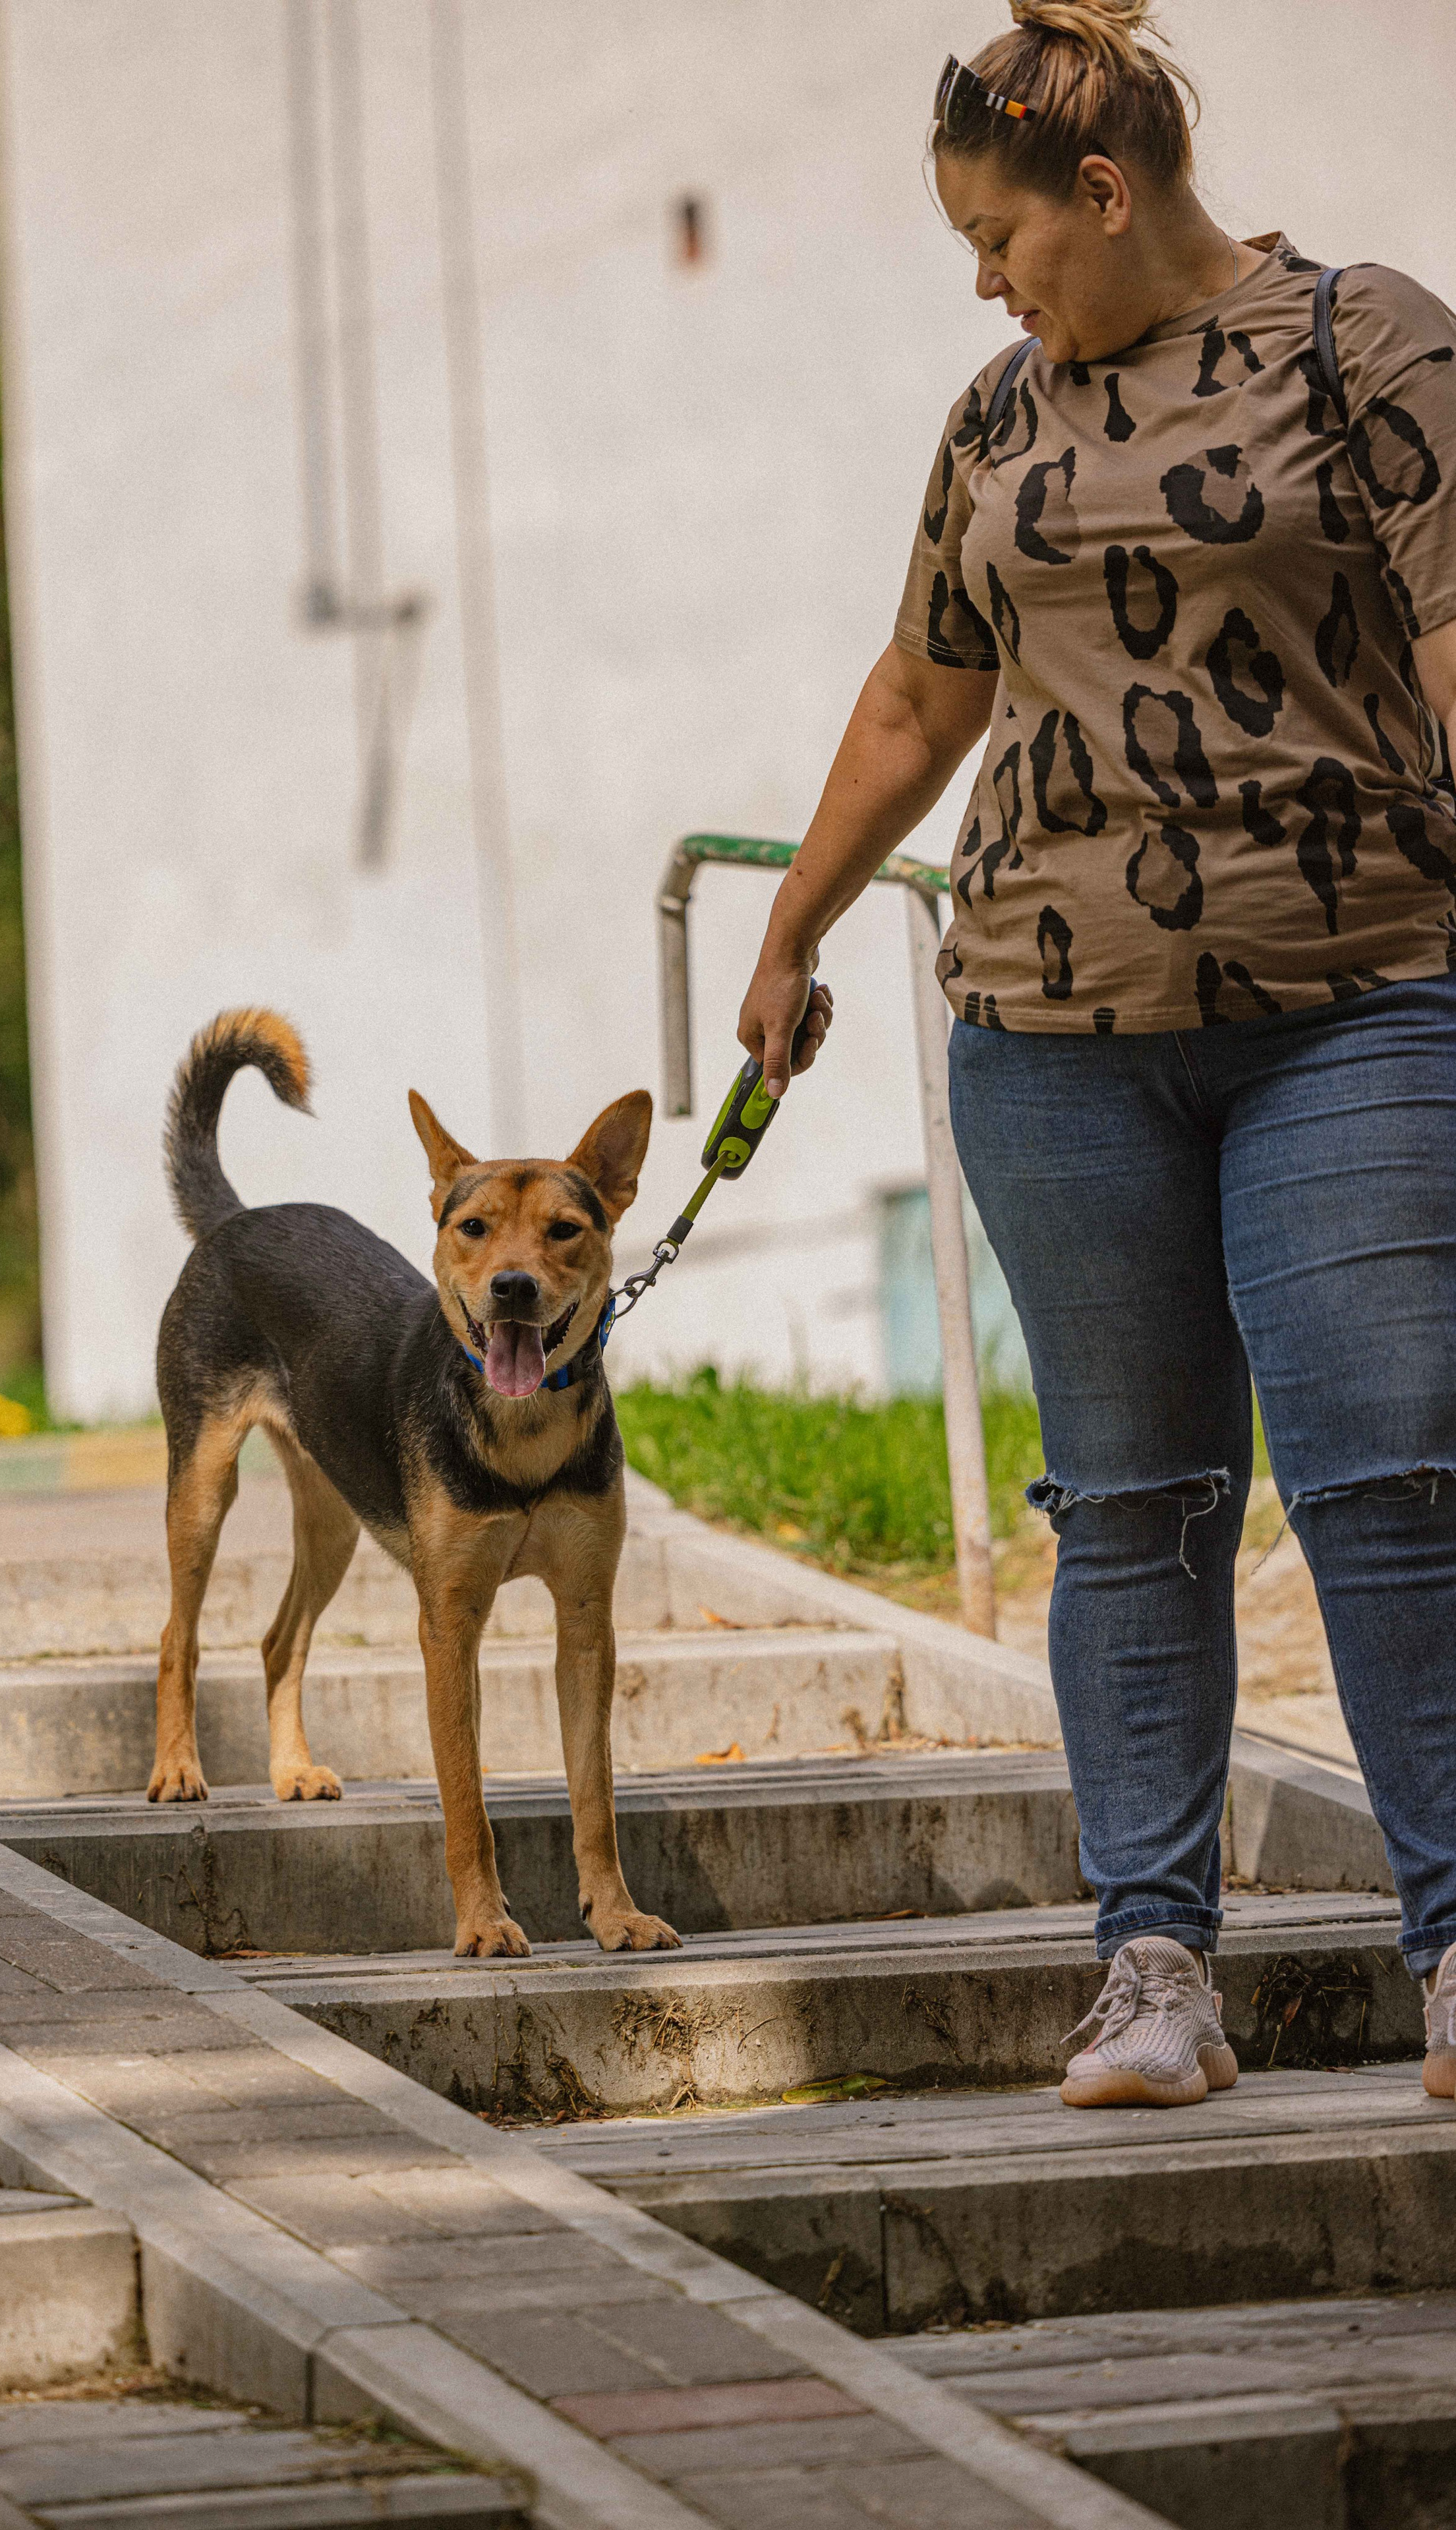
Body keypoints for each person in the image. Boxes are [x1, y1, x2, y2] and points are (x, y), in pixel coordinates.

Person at [738, 0, 1456, 2109]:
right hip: (1055, 1040)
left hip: (1356, 1005)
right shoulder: (991, 420)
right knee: (1129, 1505)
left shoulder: (1369, 346)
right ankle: (1153, 1967)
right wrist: (788, 922)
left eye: (1001, 235)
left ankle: (1453, 1945)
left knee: (1390, 1476)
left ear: (1106, 191)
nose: (987, 277)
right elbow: (917, 689)